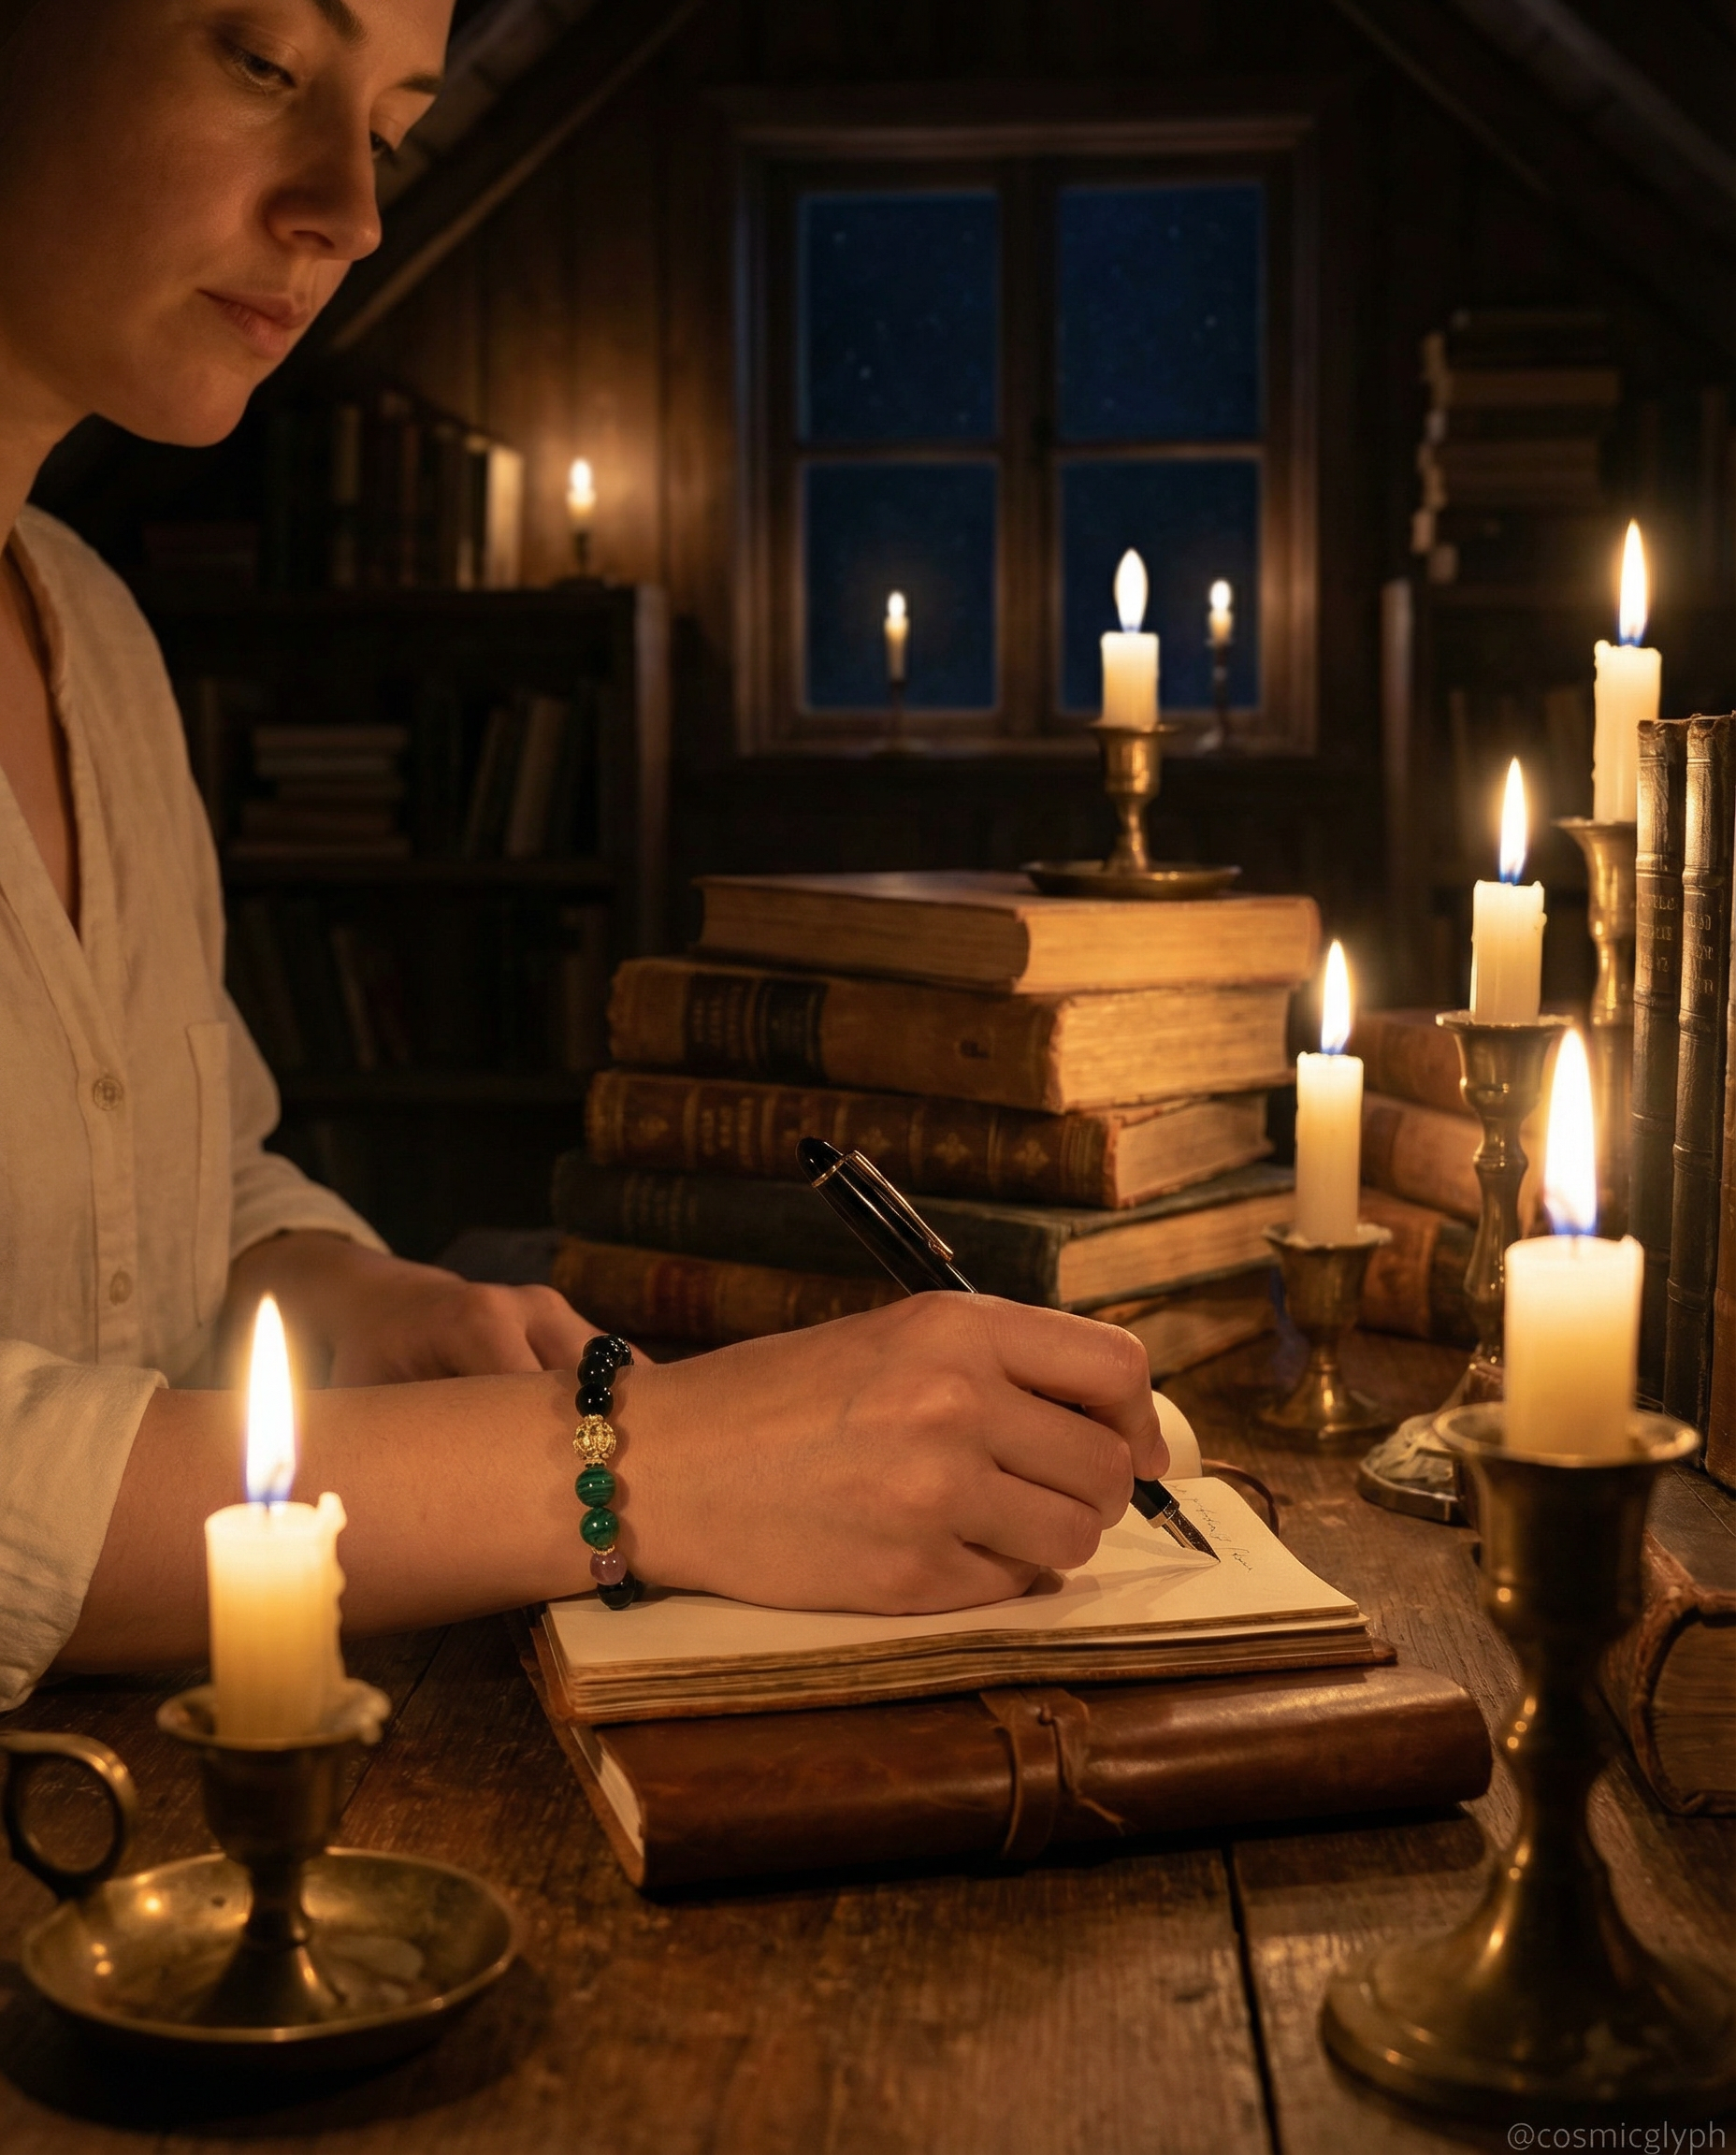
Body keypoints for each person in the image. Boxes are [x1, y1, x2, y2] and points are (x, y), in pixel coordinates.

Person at [0, 0, 1166, 1708]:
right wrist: (646, 1465)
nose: (352, 204)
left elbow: (175, 1189)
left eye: (391, 128)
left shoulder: (88, 635)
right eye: (261, 60)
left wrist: (351, 1297)